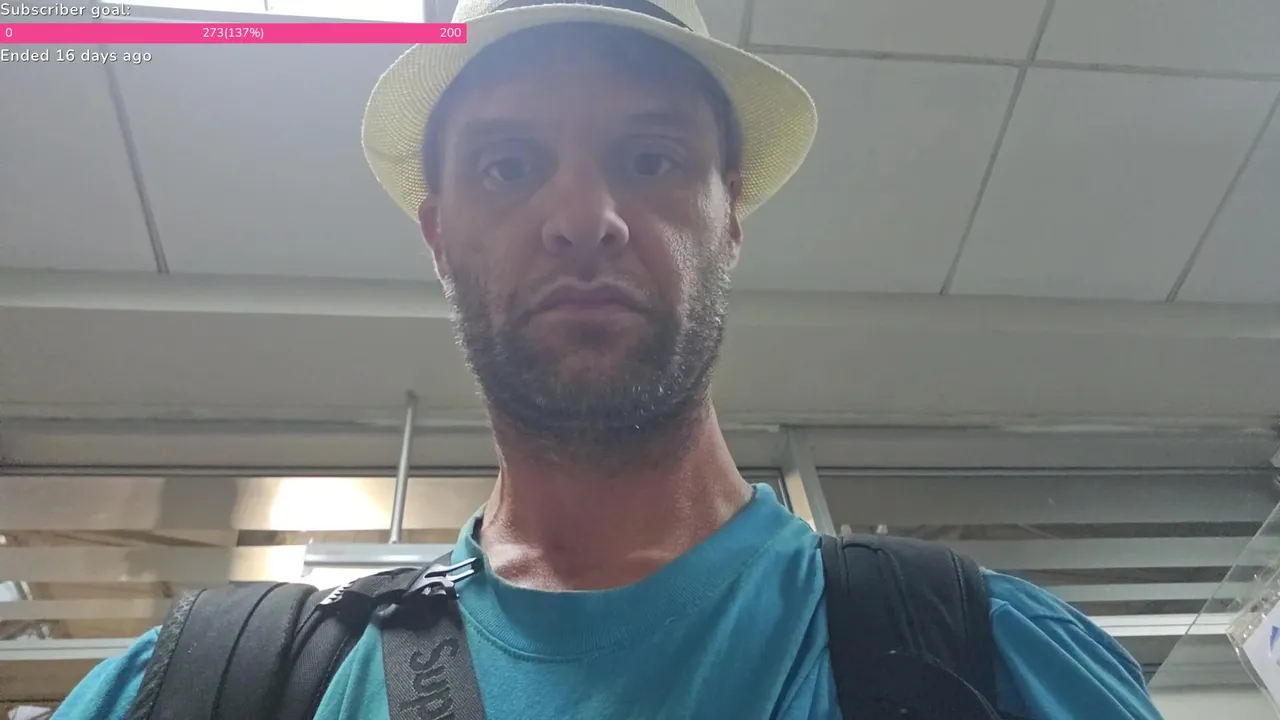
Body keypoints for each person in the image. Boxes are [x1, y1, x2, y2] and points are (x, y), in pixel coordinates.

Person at [55, 1, 1163, 718]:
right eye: (507, 166)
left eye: (649, 157)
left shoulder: (991, 662)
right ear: (439, 236)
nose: (584, 216)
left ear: (729, 218)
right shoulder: (212, 688)